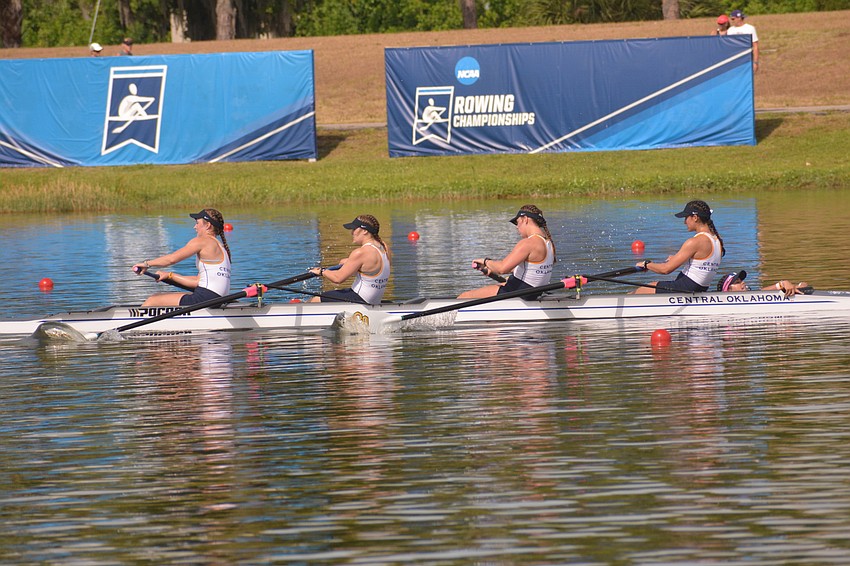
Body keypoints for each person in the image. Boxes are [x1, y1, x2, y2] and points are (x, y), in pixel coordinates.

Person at [132, 209, 232, 307]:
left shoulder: (202, 241)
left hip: (206, 297)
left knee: (152, 300)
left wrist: (146, 264)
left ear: (208, 225)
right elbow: (198, 281)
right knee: (162, 298)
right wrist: (169, 276)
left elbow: (172, 259)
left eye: (197, 223)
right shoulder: (221, 248)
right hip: (219, 298)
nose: (195, 227)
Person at [459, 204, 556, 300]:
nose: (517, 227)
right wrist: (491, 269)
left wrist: (485, 261)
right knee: (500, 284)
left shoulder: (528, 243)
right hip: (532, 291)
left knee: (465, 296)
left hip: (521, 291)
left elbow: (502, 269)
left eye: (517, 223)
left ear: (525, 219)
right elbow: (529, 269)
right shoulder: (548, 242)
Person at [634, 200, 725, 294]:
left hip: (685, 288)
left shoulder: (695, 242)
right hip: (700, 288)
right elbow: (701, 261)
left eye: (686, 217)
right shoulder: (717, 240)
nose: (685, 222)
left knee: (640, 291)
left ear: (695, 217)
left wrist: (646, 264)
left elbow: (665, 269)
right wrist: (676, 259)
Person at [309, 215, 391, 305]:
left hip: (359, 298)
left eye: (354, 229)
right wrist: (349, 261)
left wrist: (321, 271)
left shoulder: (360, 253)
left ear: (364, 231)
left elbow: (338, 278)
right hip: (374, 300)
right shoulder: (384, 247)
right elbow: (369, 265)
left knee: (315, 299)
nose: (352, 233)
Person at [717, 270, 810, 297]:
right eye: (738, 282)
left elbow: (804, 285)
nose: (743, 283)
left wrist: (787, 284)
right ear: (727, 290)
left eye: (742, 281)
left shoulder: (753, 296)